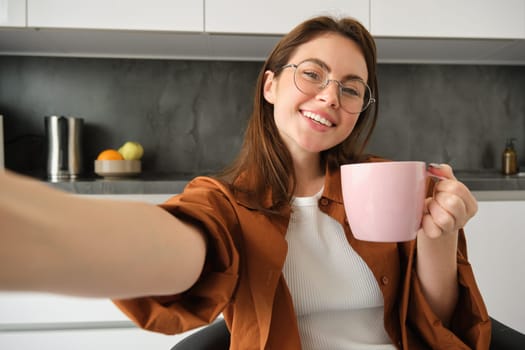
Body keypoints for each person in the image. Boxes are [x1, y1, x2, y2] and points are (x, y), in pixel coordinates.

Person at [0, 15, 491, 349]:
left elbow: (439, 322)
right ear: (271, 84)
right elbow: (185, 244)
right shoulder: (226, 202)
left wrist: (440, 235)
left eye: (351, 89)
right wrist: (63, 234)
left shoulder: (389, 183)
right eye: (313, 75)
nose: (330, 97)